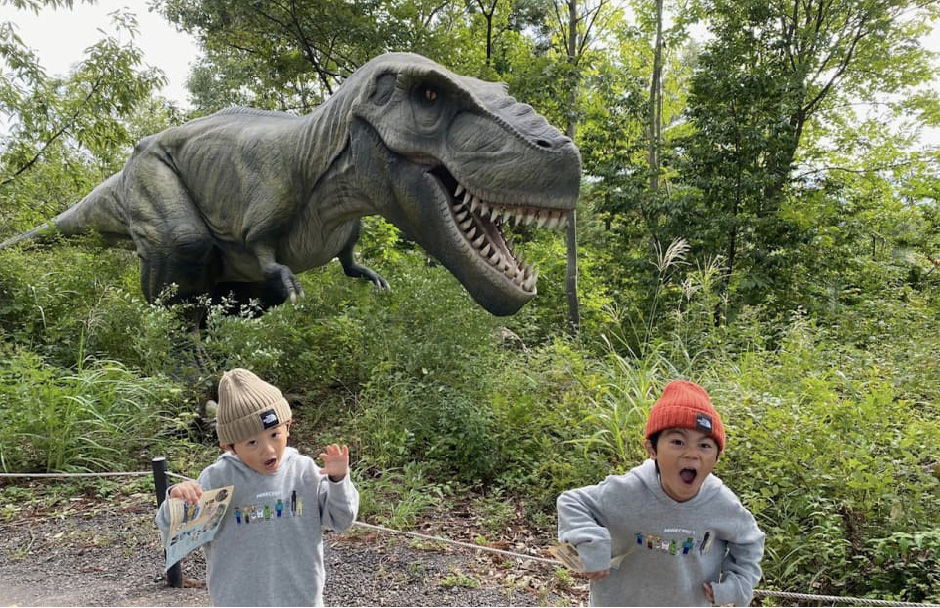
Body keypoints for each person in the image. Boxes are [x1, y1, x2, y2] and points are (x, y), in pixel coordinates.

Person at [156, 367, 359, 607]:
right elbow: (175, 533)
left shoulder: (304, 472)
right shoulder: (218, 478)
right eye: (252, 442)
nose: (268, 449)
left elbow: (342, 519)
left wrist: (338, 480)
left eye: (274, 434)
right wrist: (178, 500)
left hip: (302, 600)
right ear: (229, 446)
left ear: (288, 426)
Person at [556, 379, 764, 607]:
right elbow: (572, 502)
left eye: (704, 446)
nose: (692, 454)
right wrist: (590, 542)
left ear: (717, 457)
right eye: (678, 442)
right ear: (652, 449)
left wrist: (737, 586)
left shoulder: (722, 503)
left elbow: (750, 541)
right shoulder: (626, 491)